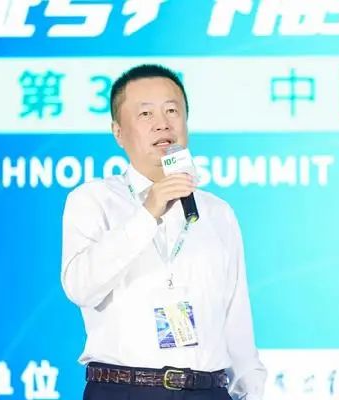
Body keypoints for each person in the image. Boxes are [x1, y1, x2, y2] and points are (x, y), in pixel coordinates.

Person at [61, 64, 266, 400]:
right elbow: (81, 288)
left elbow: (236, 318)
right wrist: (148, 212)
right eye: (146, 114)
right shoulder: (94, 200)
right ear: (118, 132)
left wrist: (251, 390)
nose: (162, 123)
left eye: (172, 111)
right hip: (125, 389)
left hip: (207, 391)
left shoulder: (217, 213)